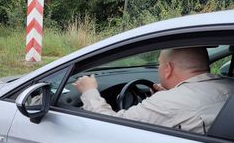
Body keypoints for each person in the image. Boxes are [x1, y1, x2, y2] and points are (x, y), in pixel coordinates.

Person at [73, 47, 234, 134]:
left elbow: (108, 127)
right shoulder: (228, 85)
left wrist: (89, 91)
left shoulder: (166, 103)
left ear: (167, 69)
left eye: (159, 64)